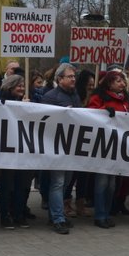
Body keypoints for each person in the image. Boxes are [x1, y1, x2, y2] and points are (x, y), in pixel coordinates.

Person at [86, 70, 129, 229]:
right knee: (102, 182)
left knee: (112, 184)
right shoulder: (98, 98)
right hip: (103, 146)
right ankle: (100, 215)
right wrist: (103, 111)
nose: (122, 84)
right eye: (118, 81)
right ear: (109, 83)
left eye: (123, 81)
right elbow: (89, 116)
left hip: (118, 147)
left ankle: (107, 213)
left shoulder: (125, 100)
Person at [41, 63, 81, 234]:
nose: (73, 79)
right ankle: (58, 218)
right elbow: (44, 121)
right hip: (56, 147)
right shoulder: (51, 97)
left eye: (74, 76)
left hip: (71, 146)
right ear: (59, 79)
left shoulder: (75, 95)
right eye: (70, 76)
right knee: (57, 182)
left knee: (65, 183)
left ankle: (55, 214)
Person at [0, 74, 32, 229]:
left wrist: (27, 108)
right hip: (7, 150)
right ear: (10, 86)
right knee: (7, 185)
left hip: (22, 149)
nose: (22, 89)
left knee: (21, 184)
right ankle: (5, 215)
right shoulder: (0, 101)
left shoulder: (26, 101)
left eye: (23, 86)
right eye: (19, 86)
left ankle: (19, 214)